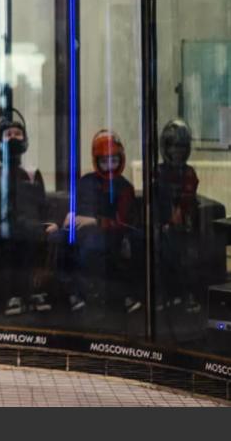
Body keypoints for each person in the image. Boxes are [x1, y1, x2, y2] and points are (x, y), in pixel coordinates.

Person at [0, 110, 58, 315]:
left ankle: (34, 293)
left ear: (25, 140)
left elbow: (42, 205)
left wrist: (49, 223)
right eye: (8, 134)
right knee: (10, 243)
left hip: (30, 227)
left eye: (18, 134)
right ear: (0, 141)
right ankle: (12, 296)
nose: (13, 138)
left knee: (33, 240)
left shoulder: (32, 172)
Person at [52, 130, 144, 314]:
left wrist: (94, 221)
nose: (110, 166)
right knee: (58, 238)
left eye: (114, 160)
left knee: (93, 245)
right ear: (96, 161)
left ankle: (111, 295)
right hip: (81, 233)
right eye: (104, 161)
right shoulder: (86, 181)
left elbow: (124, 222)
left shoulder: (125, 188)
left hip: (111, 234)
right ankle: (72, 294)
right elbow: (74, 210)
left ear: (121, 158)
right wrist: (65, 218)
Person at [155, 119, 202, 313]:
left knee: (183, 253)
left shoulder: (189, 172)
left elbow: (187, 198)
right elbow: (157, 199)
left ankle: (187, 294)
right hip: (163, 223)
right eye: (173, 146)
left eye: (181, 147)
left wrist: (178, 216)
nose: (177, 151)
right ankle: (168, 295)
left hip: (185, 224)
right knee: (162, 251)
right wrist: (163, 222)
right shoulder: (158, 171)